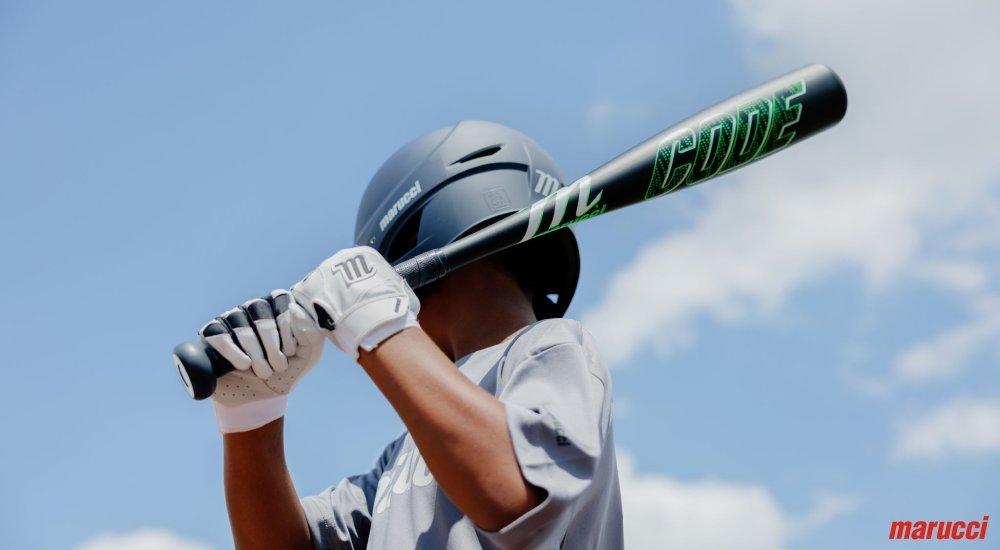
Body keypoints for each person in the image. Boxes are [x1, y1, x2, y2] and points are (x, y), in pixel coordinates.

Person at [197, 121, 623, 549]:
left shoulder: (551, 345)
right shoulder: (400, 460)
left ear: (409, 235)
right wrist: (251, 417)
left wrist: (375, 319)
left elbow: (515, 494)